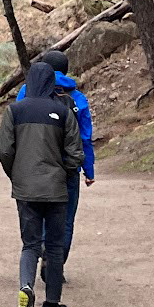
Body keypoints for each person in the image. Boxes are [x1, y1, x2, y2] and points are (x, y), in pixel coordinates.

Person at [0, 59, 83, 307]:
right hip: (56, 189)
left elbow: (4, 149)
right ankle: (51, 306)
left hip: (25, 189)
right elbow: (75, 153)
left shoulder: (14, 111)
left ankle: (26, 286)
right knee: (55, 247)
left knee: (30, 244)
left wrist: (16, 174)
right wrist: (65, 173)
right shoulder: (64, 111)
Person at [17, 48, 95, 263]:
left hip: (34, 165)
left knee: (37, 214)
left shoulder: (26, 92)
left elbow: (17, 127)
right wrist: (89, 170)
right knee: (65, 220)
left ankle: (39, 249)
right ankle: (55, 265)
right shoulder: (78, 98)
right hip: (68, 167)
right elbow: (85, 138)